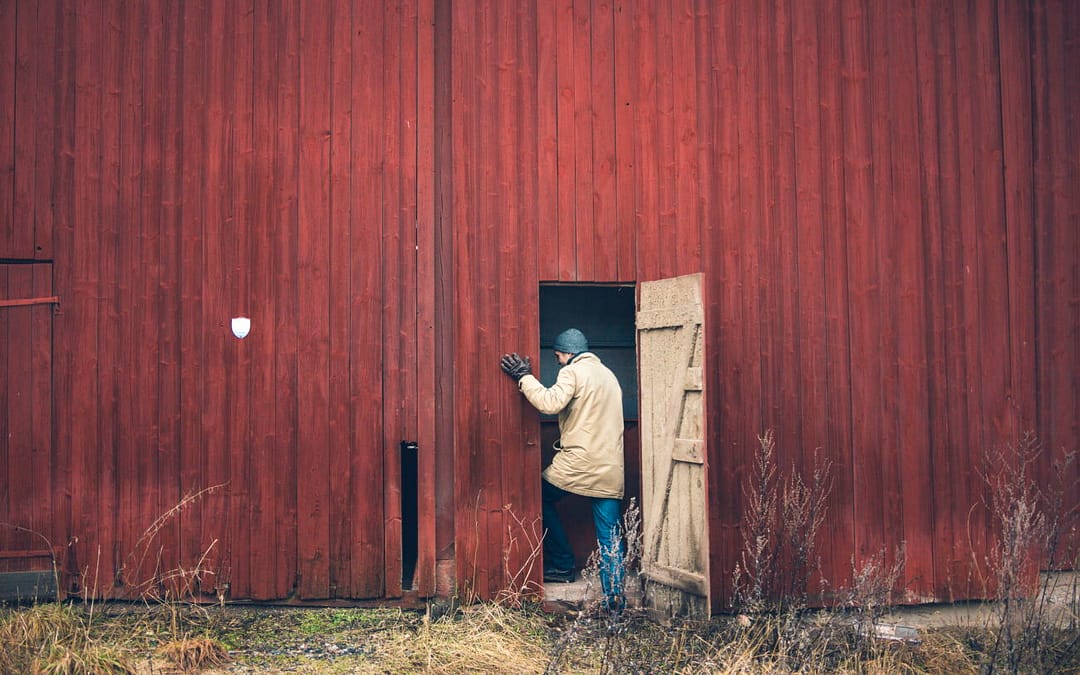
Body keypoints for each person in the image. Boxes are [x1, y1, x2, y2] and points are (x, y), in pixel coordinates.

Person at [500, 328, 625, 611]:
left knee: (539, 498)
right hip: (610, 467)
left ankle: (563, 564)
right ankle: (615, 601)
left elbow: (549, 403)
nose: (558, 361)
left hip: (578, 464)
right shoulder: (608, 376)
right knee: (609, 534)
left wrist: (524, 377)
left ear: (567, 353)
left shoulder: (573, 372)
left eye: (557, 356)